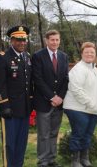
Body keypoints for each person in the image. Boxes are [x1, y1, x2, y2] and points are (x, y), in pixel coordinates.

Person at [0, 25, 32, 167]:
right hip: (9, 110)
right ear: (11, 41)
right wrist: (4, 105)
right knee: (9, 144)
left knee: (21, 144)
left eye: (24, 40)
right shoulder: (2, 58)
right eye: (18, 40)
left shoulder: (27, 57)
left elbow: (28, 83)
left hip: (24, 109)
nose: (22, 43)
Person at [63, 42, 97, 167]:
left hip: (92, 109)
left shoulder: (94, 69)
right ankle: (75, 161)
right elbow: (76, 90)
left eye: (92, 52)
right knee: (78, 134)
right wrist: (91, 103)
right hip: (77, 108)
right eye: (87, 52)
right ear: (82, 54)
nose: (89, 54)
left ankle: (84, 158)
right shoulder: (78, 69)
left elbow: (96, 90)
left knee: (88, 134)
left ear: (95, 54)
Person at [32, 30, 69, 167]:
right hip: (44, 102)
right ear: (47, 40)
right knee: (43, 134)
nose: (55, 42)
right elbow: (38, 79)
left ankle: (52, 160)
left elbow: (65, 79)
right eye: (52, 40)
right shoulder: (38, 56)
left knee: (54, 133)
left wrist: (60, 97)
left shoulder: (64, 56)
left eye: (57, 40)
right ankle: (43, 161)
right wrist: (52, 96)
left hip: (58, 103)